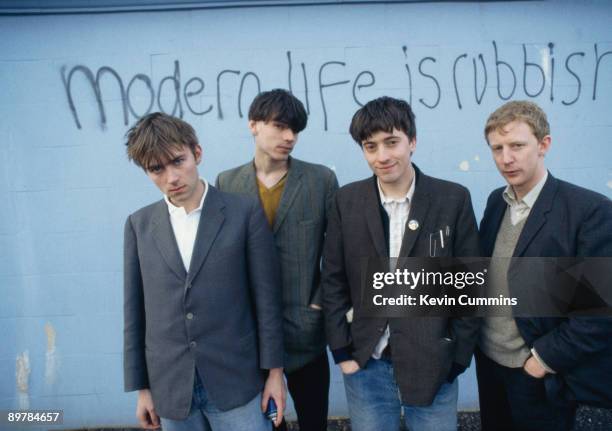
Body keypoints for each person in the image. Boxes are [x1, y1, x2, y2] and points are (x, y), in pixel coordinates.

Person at [321, 96, 480, 431]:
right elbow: (333, 279)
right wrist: (341, 351)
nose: (382, 156)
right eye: (370, 146)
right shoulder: (346, 201)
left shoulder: (453, 198)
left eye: (392, 142)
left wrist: (457, 357)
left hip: (434, 364)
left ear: (413, 142)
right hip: (367, 364)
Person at [123, 112, 285, 431]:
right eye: (157, 169)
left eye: (177, 161)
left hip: (236, 381)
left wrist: (275, 375)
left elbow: (267, 301)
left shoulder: (243, 213)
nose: (171, 177)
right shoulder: (139, 225)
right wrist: (142, 389)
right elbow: (135, 314)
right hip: (170, 388)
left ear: (197, 153)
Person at [478, 100, 612, 430]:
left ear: (543, 144)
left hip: (538, 375)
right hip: (489, 364)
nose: (506, 158)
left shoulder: (588, 211)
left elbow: (599, 312)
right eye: (497, 148)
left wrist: (541, 361)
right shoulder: (498, 201)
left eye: (517, 146)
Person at [216, 89, 338, 431]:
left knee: (314, 420)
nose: (289, 137)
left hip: (306, 332)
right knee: (269, 422)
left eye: (295, 130)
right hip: (251, 334)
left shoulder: (320, 180)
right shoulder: (228, 182)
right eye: (280, 126)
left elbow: (336, 251)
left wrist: (319, 304)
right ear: (253, 125)